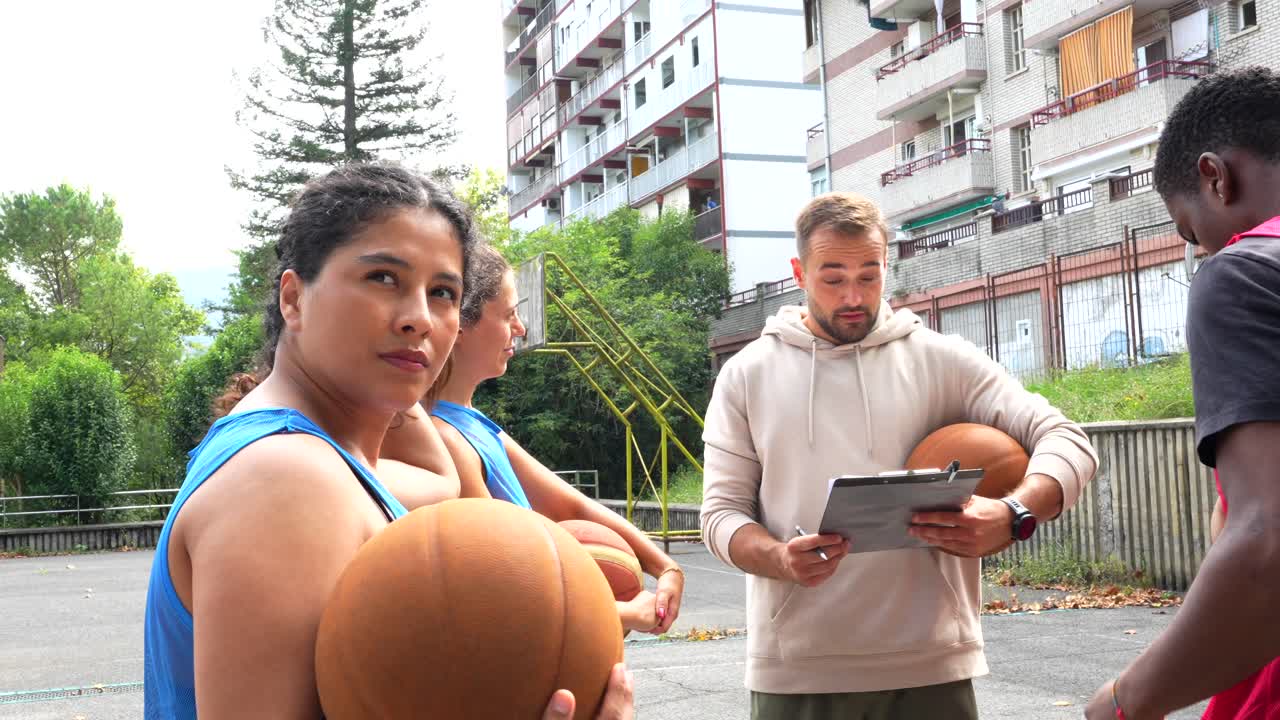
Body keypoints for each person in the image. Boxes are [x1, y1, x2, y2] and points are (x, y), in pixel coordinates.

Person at [142, 163, 634, 720]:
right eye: (383, 278)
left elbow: (443, 482)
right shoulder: (288, 481)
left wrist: (392, 400)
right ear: (293, 299)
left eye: (443, 292)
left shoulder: (328, 458)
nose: (419, 319)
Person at [700, 191, 1099, 719]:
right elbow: (719, 515)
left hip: (931, 663)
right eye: (833, 276)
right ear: (800, 271)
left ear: (887, 266)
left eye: (869, 275)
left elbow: (1069, 439)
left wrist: (1013, 514)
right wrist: (778, 559)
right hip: (798, 667)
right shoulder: (748, 374)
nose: (853, 296)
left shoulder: (943, 360)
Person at [1084, 66, 1280, 720]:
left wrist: (1125, 701)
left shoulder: (1245, 271)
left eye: (1189, 232)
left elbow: (1268, 540)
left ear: (1215, 178)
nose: (1199, 254)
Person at [381, 242, 686, 636]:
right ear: (460, 327)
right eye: (509, 314)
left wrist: (665, 567)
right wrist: (626, 614)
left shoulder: (475, 425)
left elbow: (570, 504)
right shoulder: (443, 441)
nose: (521, 328)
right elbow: (505, 580)